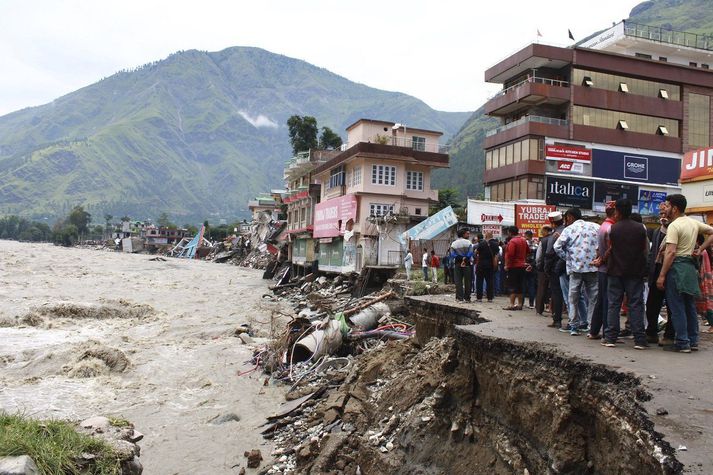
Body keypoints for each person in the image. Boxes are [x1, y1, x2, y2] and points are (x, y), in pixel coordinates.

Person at [657, 194, 713, 352]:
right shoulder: (693, 223)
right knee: (689, 306)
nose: (665, 209)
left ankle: (682, 342)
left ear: (674, 208)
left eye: (667, 206)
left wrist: (661, 275)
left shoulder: (674, 226)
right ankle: (693, 341)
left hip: (676, 268)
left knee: (677, 307)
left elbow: (670, 253)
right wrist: (700, 249)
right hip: (690, 268)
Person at [600, 199, 648, 349]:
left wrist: (602, 260)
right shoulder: (641, 228)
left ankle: (610, 338)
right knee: (635, 304)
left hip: (615, 271)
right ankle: (639, 339)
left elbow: (610, 249)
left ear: (617, 211)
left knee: (614, 304)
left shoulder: (612, 229)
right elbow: (645, 251)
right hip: (635, 271)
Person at [554, 208, 600, 335]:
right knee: (593, 298)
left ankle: (574, 326)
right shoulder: (596, 227)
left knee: (573, 298)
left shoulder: (569, 229)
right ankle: (591, 326)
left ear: (569, 217)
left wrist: (568, 258)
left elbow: (557, 246)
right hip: (592, 267)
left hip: (575, 268)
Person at [645, 203, 675, 345]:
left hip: (672, 272)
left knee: (672, 306)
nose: (663, 217)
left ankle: (669, 335)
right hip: (656, 272)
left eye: (665, 214)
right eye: (661, 214)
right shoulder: (657, 232)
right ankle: (651, 332)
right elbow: (652, 254)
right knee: (652, 305)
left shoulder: (676, 230)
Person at [589, 201, 615, 339]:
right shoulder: (610, 228)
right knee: (607, 301)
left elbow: (599, 248)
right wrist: (602, 259)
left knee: (601, 300)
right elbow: (611, 249)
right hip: (607, 268)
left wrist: (599, 258)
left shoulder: (603, 226)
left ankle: (594, 330)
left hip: (602, 269)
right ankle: (607, 332)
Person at [545, 212, 566, 329]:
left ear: (552, 222)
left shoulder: (555, 234)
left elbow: (549, 253)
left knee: (557, 293)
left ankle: (557, 320)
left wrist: (546, 268)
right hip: (569, 266)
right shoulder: (568, 230)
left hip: (556, 267)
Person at [503, 226, 529, 310]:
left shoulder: (512, 241)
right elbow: (528, 251)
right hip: (522, 266)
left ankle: (511, 304)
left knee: (512, 285)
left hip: (514, 266)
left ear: (510, 232)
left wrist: (507, 265)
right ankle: (520, 304)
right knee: (520, 285)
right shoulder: (523, 240)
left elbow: (510, 255)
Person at [450, 229, 474, 302]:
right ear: (463, 234)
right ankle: (467, 298)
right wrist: (465, 258)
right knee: (468, 281)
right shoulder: (468, 243)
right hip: (467, 264)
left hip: (457, 264)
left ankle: (459, 298)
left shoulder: (454, 244)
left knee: (458, 281)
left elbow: (452, 254)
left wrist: (460, 258)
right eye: (467, 234)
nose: (468, 235)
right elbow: (470, 253)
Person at [475, 232, 499, 302]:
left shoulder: (482, 243)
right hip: (490, 265)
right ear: (492, 236)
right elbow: (496, 256)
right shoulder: (495, 244)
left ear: (485, 236)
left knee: (479, 281)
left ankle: (479, 298)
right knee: (490, 282)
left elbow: (476, 252)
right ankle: (490, 298)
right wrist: (495, 265)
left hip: (481, 265)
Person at [535, 225, 553, 315]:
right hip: (554, 267)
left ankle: (539, 309)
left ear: (546, 230)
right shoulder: (555, 238)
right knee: (554, 289)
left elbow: (538, 256)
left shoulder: (543, 241)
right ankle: (553, 309)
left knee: (541, 288)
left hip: (543, 267)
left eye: (542, 230)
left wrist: (538, 265)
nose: (541, 232)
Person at [524, 230, 538, 309]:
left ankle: (521, 303)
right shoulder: (536, 244)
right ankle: (531, 304)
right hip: (532, 266)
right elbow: (537, 257)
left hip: (524, 265)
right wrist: (532, 265)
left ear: (526, 235)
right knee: (531, 285)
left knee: (522, 284)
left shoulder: (523, 243)